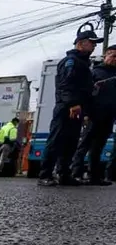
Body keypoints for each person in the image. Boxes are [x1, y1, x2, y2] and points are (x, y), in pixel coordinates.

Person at [38, 29, 101, 187]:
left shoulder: (84, 63)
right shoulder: (71, 61)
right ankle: (45, 175)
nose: (94, 46)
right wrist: (72, 104)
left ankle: (64, 174)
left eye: (95, 43)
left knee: (71, 142)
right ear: (80, 43)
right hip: (67, 107)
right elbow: (65, 85)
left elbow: (81, 88)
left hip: (77, 109)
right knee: (56, 140)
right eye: (91, 42)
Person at [71, 45, 116, 185]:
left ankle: (94, 176)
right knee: (84, 144)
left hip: (109, 116)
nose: (115, 59)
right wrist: (86, 113)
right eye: (113, 56)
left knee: (98, 147)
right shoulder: (95, 72)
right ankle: (75, 173)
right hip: (94, 114)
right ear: (105, 56)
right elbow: (85, 94)